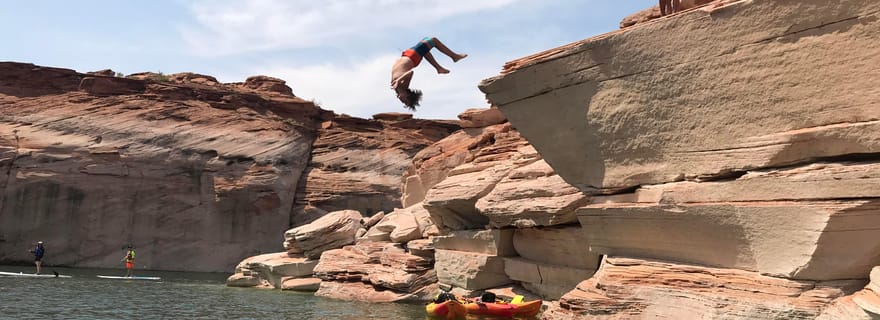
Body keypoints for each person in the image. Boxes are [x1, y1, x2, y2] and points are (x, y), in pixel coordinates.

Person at [391, 37, 467, 111]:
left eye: (404, 102)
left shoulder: (396, 88)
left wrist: (397, 86)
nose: (402, 101)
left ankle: (439, 68)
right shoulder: (404, 85)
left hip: (407, 55)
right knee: (434, 40)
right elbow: (410, 72)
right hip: (413, 56)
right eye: (405, 101)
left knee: (425, 44)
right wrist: (398, 80)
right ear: (408, 95)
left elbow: (405, 74)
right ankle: (455, 56)